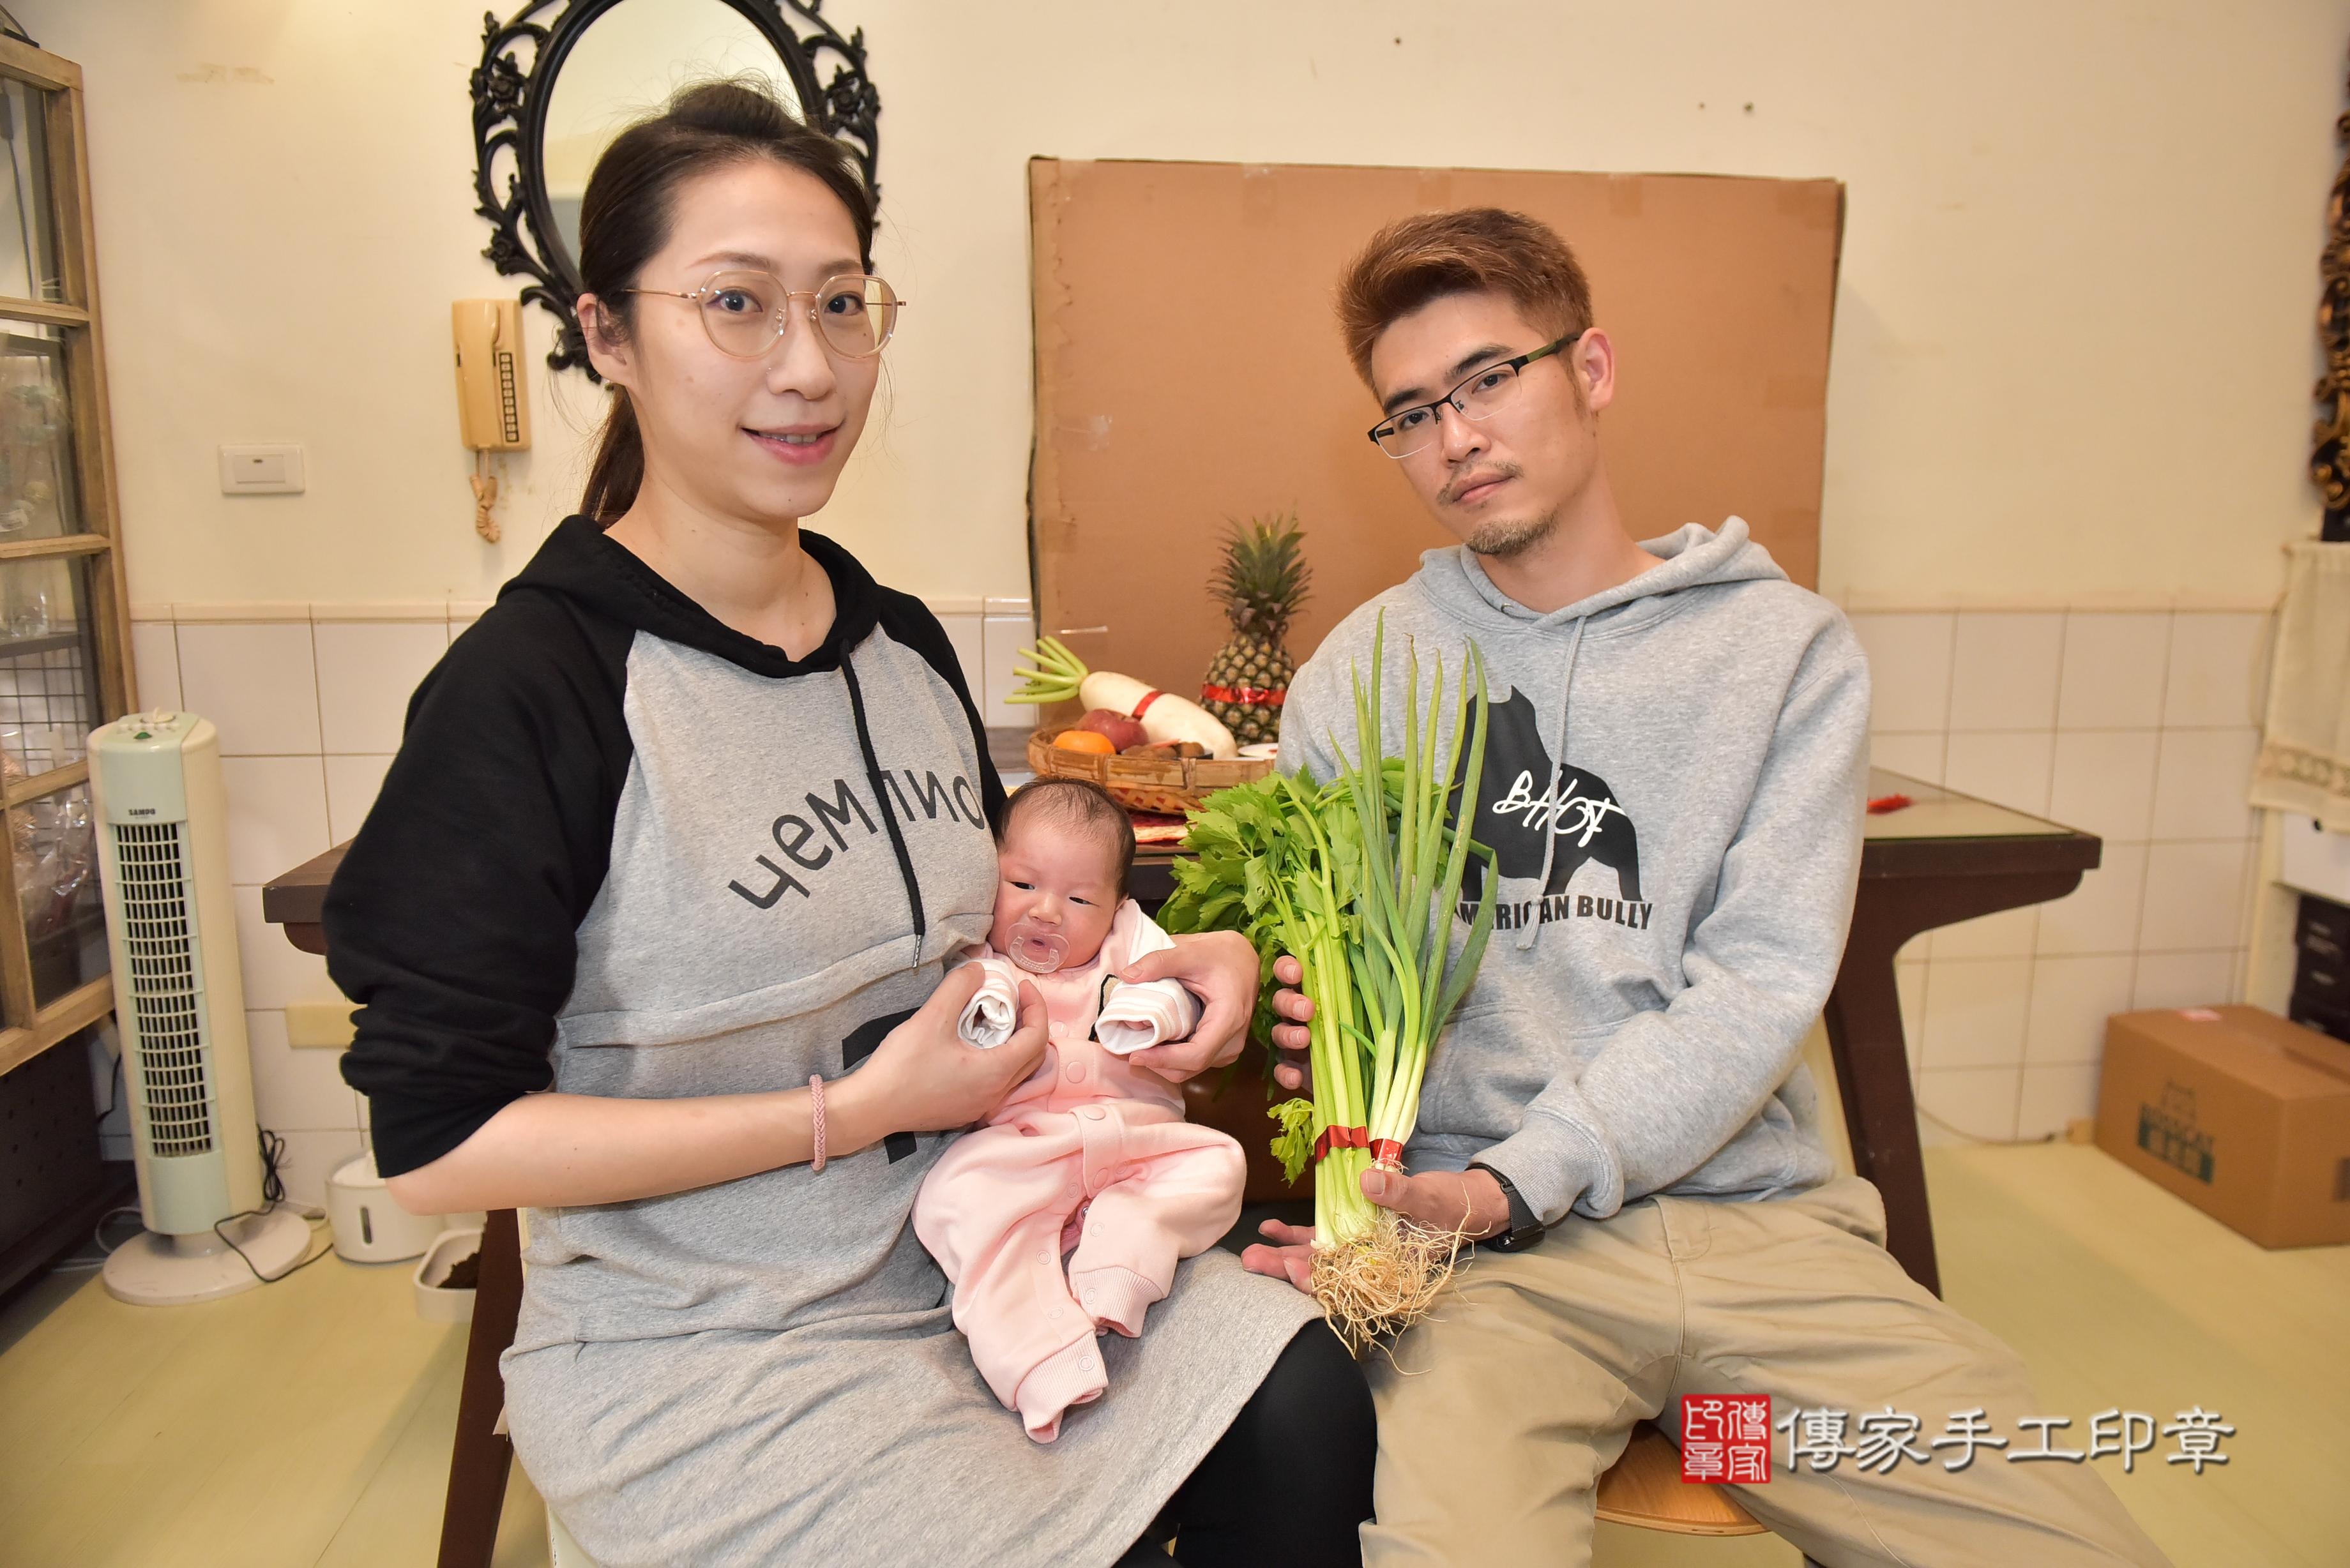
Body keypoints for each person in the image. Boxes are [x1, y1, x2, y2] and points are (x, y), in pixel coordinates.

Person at [328, 82, 1368, 1568]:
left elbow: (991, 945)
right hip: (712, 1346)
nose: (809, 366)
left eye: (839, 303)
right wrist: (853, 1112)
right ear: (605, 334)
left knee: (1306, 1397)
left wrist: (1152, 959)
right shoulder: (534, 688)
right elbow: (436, 1147)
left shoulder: (901, 647)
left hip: (982, 1249)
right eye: (735, 303)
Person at [1243, 207, 2169, 1567]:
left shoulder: (1782, 652)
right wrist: (1313, 1032)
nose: (1456, 437)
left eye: (1489, 378)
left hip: (1762, 1247)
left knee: (2051, 1541)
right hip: (1488, 1279)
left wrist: (1525, 1173)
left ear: (1592, 369)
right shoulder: (1359, 678)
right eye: (1414, 412)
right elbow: (1334, 998)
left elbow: (1758, 988)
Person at [915, 778, 1248, 1443]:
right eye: (1023, 885)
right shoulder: (984, 960)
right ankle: (1038, 1358)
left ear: (1116, 907)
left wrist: (1154, 1011)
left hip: (1135, 1139)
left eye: (1078, 899)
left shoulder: (1130, 943)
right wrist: (987, 1016)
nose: (1045, 912)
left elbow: (1174, 990)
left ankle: (1124, 1252)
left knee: (1219, 1164)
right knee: (959, 1200)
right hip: (1023, 1149)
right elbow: (969, 1014)